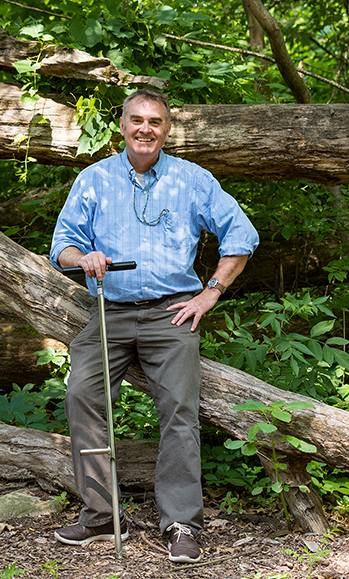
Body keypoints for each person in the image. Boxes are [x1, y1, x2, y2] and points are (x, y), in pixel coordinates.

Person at [49, 88, 259, 563]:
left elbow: (241, 235)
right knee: (83, 394)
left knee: (180, 413)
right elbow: (61, 245)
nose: (146, 129)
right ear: (121, 126)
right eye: (137, 120)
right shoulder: (94, 180)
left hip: (172, 313)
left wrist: (211, 292)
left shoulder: (193, 180)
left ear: (167, 129)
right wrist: (84, 257)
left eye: (156, 122)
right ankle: (102, 515)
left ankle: (182, 523)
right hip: (111, 311)